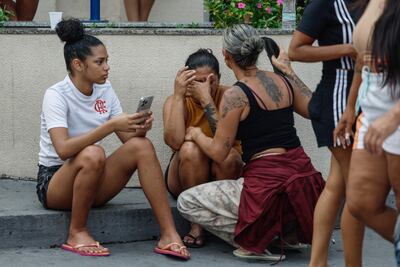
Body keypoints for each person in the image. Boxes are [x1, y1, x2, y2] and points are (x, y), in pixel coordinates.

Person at [36, 18, 190, 259]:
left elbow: (128, 140)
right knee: (93, 152)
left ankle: (169, 234)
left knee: (142, 146)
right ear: (78, 64)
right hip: (55, 182)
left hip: (92, 178)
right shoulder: (56, 94)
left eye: (107, 60)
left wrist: (140, 127)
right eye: (100, 62)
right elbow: (63, 149)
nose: (107, 67)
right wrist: (109, 126)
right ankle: (76, 232)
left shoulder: (105, 89)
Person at [177, 24, 325, 261]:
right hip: (303, 180)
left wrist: (196, 134)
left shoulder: (235, 95)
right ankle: (284, 233)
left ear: (226, 56)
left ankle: (256, 242)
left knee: (186, 202)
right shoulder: (281, 80)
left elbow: (218, 151)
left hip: (266, 186)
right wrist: (288, 71)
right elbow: (314, 110)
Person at [288, 0, 368, 265]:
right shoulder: (325, 4)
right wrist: (348, 49)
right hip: (337, 99)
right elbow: (296, 50)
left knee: (338, 184)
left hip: (364, 95)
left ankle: (317, 262)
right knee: (357, 189)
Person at [334, 0, 400, 265]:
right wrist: (351, 107)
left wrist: (393, 116)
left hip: (395, 114)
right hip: (373, 109)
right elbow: (364, 60)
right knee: (360, 202)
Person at [163, 49, 243, 248]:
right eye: (197, 81)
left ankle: (223, 219)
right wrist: (179, 95)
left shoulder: (230, 96)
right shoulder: (176, 100)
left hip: (221, 170)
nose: (204, 86)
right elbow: (174, 142)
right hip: (185, 174)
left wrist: (207, 100)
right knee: (190, 149)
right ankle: (196, 224)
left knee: (228, 155)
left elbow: (223, 142)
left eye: (210, 80)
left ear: (219, 78)